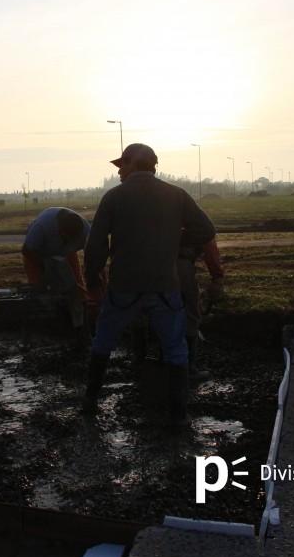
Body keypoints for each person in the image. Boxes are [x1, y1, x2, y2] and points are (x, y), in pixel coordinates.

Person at [81, 143, 216, 431]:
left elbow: (95, 245)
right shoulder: (176, 195)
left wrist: (91, 278)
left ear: (133, 164)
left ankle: (90, 401)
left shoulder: (114, 197)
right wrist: (175, 242)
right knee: (176, 348)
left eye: (121, 165)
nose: (118, 171)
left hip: (123, 287)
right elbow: (206, 230)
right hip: (165, 288)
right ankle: (179, 415)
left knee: (104, 341)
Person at [21, 207, 92, 344]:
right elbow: (26, 250)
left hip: (67, 254)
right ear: (58, 228)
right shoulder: (42, 227)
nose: (70, 240)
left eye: (73, 239)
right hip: (36, 254)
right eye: (66, 237)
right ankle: (40, 333)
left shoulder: (86, 231)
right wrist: (45, 266)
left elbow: (94, 256)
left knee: (77, 291)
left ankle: (82, 330)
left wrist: (97, 278)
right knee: (39, 294)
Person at [177, 234, 225, 382]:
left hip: (156, 266)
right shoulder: (193, 218)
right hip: (180, 264)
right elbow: (209, 242)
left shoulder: (158, 215)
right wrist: (217, 277)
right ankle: (189, 368)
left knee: (163, 312)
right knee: (191, 316)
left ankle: (157, 360)